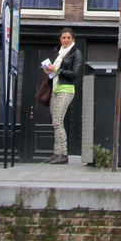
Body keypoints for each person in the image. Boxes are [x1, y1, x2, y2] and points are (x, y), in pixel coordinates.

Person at [41, 28, 83, 164]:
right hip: (55, 89)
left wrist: (56, 69)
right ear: (60, 39)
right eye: (63, 37)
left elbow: (74, 73)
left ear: (73, 39)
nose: (66, 40)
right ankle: (57, 153)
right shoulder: (59, 53)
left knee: (58, 121)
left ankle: (64, 154)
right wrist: (49, 71)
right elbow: (56, 73)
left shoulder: (76, 53)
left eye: (68, 38)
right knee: (55, 122)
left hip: (66, 89)